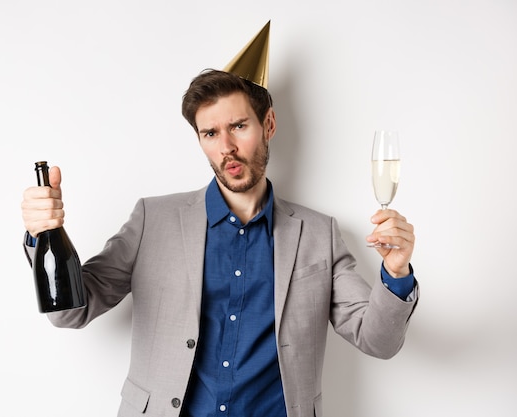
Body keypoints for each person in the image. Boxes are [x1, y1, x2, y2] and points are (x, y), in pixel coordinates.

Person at [21, 23, 418, 417]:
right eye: (210, 133)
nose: (226, 147)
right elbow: (71, 311)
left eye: (239, 127)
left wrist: (396, 272)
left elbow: (378, 341)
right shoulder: (151, 220)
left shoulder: (319, 234)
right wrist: (45, 237)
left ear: (269, 125)